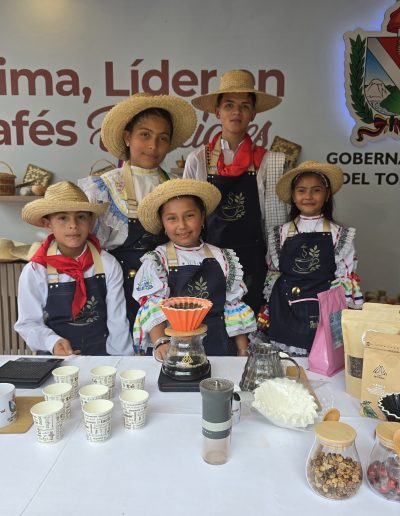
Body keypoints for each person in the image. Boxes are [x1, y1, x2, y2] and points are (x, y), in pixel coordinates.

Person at [79, 93, 197, 330]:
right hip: (118, 291)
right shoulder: (104, 187)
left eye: (162, 138)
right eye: (145, 135)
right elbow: (89, 249)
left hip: (168, 289)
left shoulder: (176, 187)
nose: (153, 145)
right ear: (127, 137)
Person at [183, 69, 288, 315]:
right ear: (217, 111)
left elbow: (275, 222)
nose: (236, 112)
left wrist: (275, 264)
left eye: (244, 106)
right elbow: (188, 213)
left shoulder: (269, 161)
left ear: (253, 113)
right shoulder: (198, 159)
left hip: (252, 258)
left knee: (247, 320)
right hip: (209, 256)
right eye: (229, 105)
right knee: (210, 320)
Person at [132, 178, 256, 357]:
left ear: (202, 216)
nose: (182, 225)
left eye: (189, 216)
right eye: (172, 218)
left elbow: (232, 304)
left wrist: (243, 350)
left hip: (219, 345)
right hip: (174, 348)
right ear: (163, 224)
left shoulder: (222, 257)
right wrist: (161, 342)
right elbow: (151, 305)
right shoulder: (157, 260)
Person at [14, 181, 133, 356]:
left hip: (101, 358)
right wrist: (52, 342)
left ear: (90, 221)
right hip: (55, 358)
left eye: (81, 216)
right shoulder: (36, 271)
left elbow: (117, 321)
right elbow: (28, 323)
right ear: (48, 224)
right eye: (63, 217)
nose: (73, 225)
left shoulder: (107, 264)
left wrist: (121, 361)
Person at [260, 160, 363, 356]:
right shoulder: (279, 233)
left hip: (322, 310)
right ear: (293, 196)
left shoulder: (339, 234)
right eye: (301, 191)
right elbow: (274, 273)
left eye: (316, 190)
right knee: (286, 364)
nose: (308, 196)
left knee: (321, 363)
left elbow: (344, 277)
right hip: (285, 307)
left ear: (327, 195)